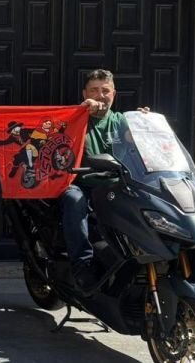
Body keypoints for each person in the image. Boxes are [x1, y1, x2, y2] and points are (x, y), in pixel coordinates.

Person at [61, 69, 130, 287]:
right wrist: (80, 112)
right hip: (82, 184)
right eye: (94, 90)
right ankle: (82, 264)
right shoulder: (75, 118)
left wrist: (146, 122)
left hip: (118, 184)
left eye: (105, 90)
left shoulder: (122, 121)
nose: (100, 95)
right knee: (73, 200)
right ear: (85, 93)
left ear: (114, 94)